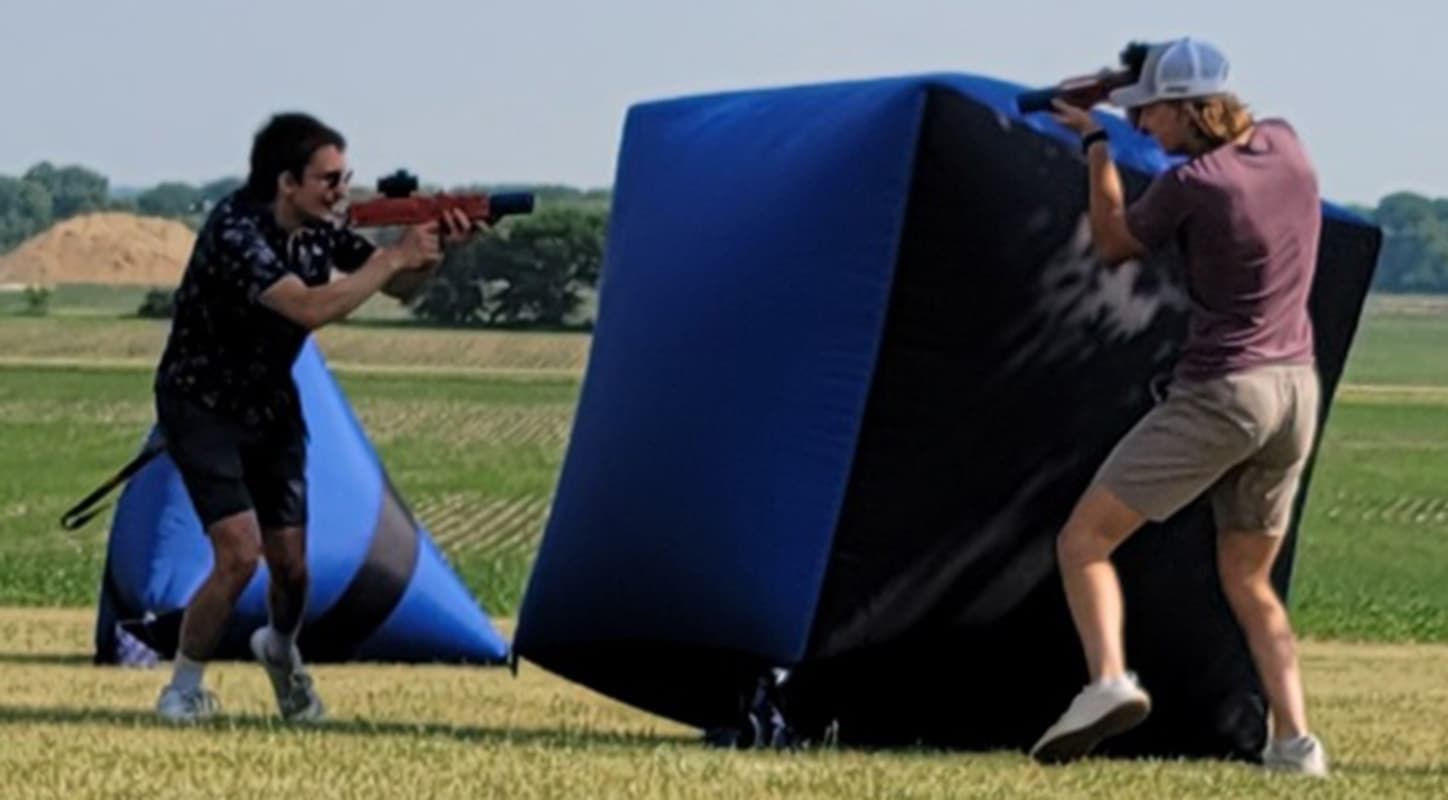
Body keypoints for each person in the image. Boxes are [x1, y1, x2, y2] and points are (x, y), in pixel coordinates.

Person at [1029, 38, 1329, 776]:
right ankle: (1296, 744)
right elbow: (1200, 116)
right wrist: (1118, 84)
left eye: (1151, 116)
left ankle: (1107, 682)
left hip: (1226, 392)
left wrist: (1097, 143)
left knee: (1084, 542)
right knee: (1249, 578)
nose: (1147, 130)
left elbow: (1112, 242)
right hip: (1297, 392)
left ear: (1186, 111)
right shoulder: (1286, 144)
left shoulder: (1197, 184)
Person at [151, 112, 476, 723]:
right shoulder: (236, 230)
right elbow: (307, 308)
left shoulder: (323, 227)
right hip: (202, 402)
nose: (340, 192)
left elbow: (400, 290)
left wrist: (433, 254)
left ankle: (279, 649)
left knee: (292, 568)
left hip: (270, 402)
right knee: (238, 554)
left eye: (345, 177)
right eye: (328, 179)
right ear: (286, 183)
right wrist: (390, 259)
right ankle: (183, 689)